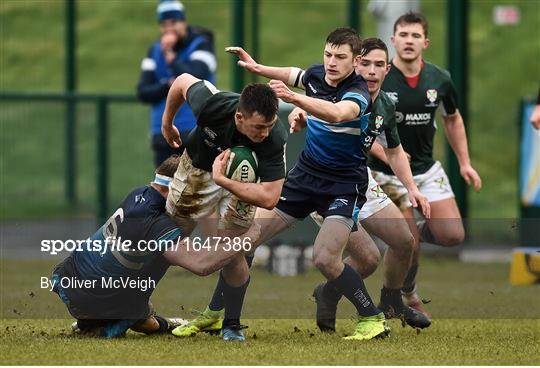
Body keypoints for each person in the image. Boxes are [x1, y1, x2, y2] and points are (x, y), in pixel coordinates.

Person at [177, 28, 428, 341]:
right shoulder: (319, 75)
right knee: (244, 240)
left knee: (327, 258)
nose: (332, 62)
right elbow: (296, 73)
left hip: (342, 186)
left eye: (340, 57)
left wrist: (295, 100)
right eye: (328, 55)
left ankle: (373, 317)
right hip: (304, 179)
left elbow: (339, 114)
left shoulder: (359, 92)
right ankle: (218, 315)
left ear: (355, 61)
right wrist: (258, 68)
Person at [297, 37, 430, 332]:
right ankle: (336, 297)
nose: (371, 70)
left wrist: (413, 188)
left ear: (388, 70)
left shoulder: (383, 105)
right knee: (368, 259)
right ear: (356, 64)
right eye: (366, 63)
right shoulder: (341, 92)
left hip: (359, 178)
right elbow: (315, 103)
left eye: (378, 65)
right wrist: (300, 113)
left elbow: (394, 151)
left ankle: (391, 300)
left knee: (404, 241)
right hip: (329, 184)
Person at [51, 155, 260, 338]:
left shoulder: (139, 194)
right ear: (175, 190)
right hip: (91, 300)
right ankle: (108, 323)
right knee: (146, 318)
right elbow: (201, 265)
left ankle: (91, 320)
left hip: (65, 280)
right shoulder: (155, 223)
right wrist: (249, 237)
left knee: (155, 262)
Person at [368, 12, 482, 317]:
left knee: (453, 236)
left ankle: (414, 233)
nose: (408, 41)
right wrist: (385, 152)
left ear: (425, 42)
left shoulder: (440, 79)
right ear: (393, 40)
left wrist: (465, 163)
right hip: (387, 172)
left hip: (426, 169)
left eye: (415, 36)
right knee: (410, 245)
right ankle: (408, 293)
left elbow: (452, 118)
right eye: (403, 35)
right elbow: (360, 126)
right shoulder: (379, 78)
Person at [161, 74, 288, 341]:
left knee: (231, 249)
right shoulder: (214, 105)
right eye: (259, 127)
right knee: (165, 236)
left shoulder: (274, 137)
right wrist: (167, 122)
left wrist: (223, 180)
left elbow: (269, 198)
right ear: (239, 117)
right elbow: (182, 81)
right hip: (197, 169)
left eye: (270, 125)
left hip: (244, 184)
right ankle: (132, 308)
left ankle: (231, 323)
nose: (265, 133)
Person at [137, 0, 217, 167]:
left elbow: (196, 77)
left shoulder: (201, 44)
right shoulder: (154, 51)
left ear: (183, 22)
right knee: (164, 189)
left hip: (196, 131)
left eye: (173, 23)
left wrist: (171, 57)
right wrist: (168, 85)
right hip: (163, 133)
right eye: (164, 25)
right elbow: (144, 91)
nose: (168, 29)